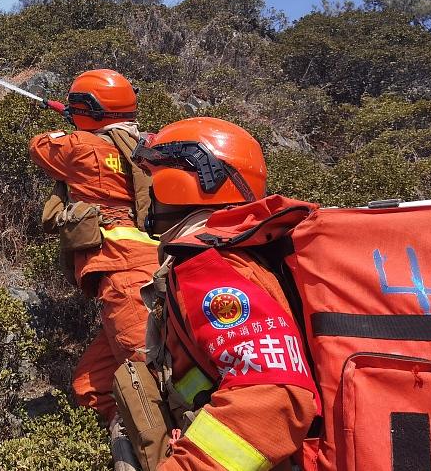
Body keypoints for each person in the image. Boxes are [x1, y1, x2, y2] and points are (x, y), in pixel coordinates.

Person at [130, 117, 319, 471]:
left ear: (184, 182)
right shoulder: (226, 251)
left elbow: (275, 397)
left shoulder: (211, 268)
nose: (147, 194)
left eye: (154, 179)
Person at [29, 69, 161, 423]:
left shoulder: (80, 146)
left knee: (151, 375)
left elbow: (39, 146)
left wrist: (74, 125)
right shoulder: (146, 145)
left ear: (87, 108)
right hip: (151, 263)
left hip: (124, 274)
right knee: (90, 387)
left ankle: (170, 446)